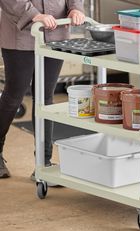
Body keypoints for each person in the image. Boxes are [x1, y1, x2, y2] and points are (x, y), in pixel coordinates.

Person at [0, 0, 85, 178]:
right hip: (21, 33)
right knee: (13, 96)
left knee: (45, 98)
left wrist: (75, 9)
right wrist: (33, 15)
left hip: (56, 32)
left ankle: (43, 162)